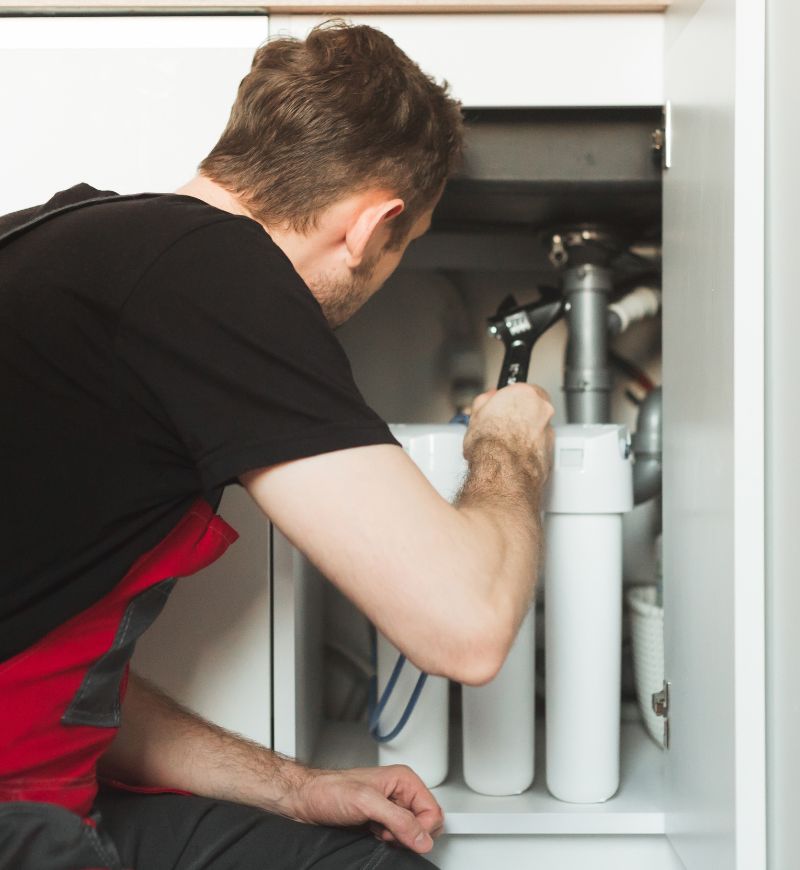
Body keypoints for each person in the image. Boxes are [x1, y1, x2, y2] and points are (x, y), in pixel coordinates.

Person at [0, 20, 554, 870]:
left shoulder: (66, 239)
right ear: (375, 226)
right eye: (400, 251)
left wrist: (296, 786)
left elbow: (58, 685)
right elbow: (468, 627)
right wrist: (510, 443)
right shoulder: (210, 268)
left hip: (49, 794)